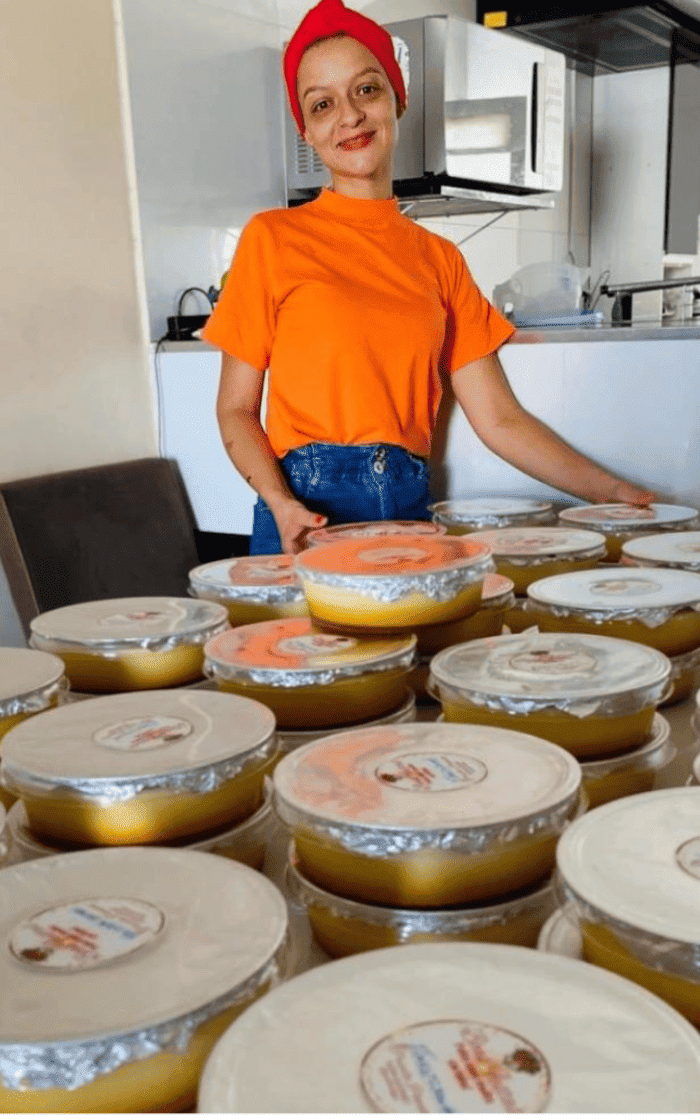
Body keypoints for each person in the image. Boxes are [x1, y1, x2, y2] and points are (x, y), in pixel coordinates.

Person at [202, 0, 654, 555]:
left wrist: (615, 493)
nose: (349, 115)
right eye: (322, 104)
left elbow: (501, 420)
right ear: (308, 130)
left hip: (408, 509)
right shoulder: (272, 238)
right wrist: (280, 501)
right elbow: (235, 410)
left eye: (366, 89)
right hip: (303, 514)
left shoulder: (440, 259)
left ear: (397, 97)